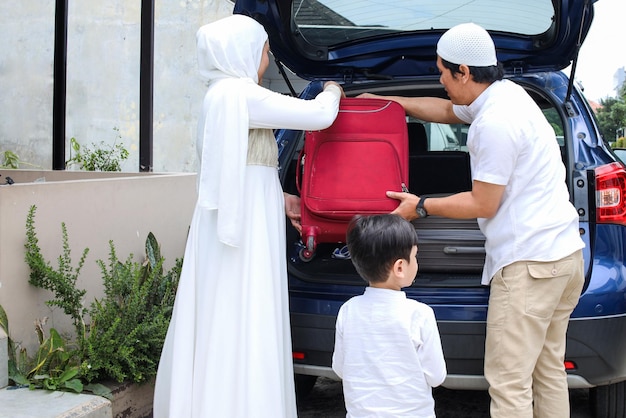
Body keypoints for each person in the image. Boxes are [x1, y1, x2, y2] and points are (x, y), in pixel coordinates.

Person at [360, 23, 585, 418]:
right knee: (547, 370)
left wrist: (422, 205)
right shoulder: (507, 96)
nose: (441, 82)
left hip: (530, 266)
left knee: (509, 382)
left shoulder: (494, 123)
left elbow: (483, 203)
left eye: (443, 73)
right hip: (565, 258)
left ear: (463, 71)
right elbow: (447, 110)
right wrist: (387, 100)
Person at [153, 14, 344, 418]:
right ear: (242, 51)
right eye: (264, 49)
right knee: (246, 307)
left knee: (222, 309)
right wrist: (333, 87)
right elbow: (319, 116)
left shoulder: (217, 95)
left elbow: (243, 167)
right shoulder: (241, 94)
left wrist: (281, 198)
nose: (268, 58)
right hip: (246, 227)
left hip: (231, 219)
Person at [332, 214, 447, 418]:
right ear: (400, 267)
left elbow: (340, 369)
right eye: (415, 256)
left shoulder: (348, 310)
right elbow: (436, 376)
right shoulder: (419, 314)